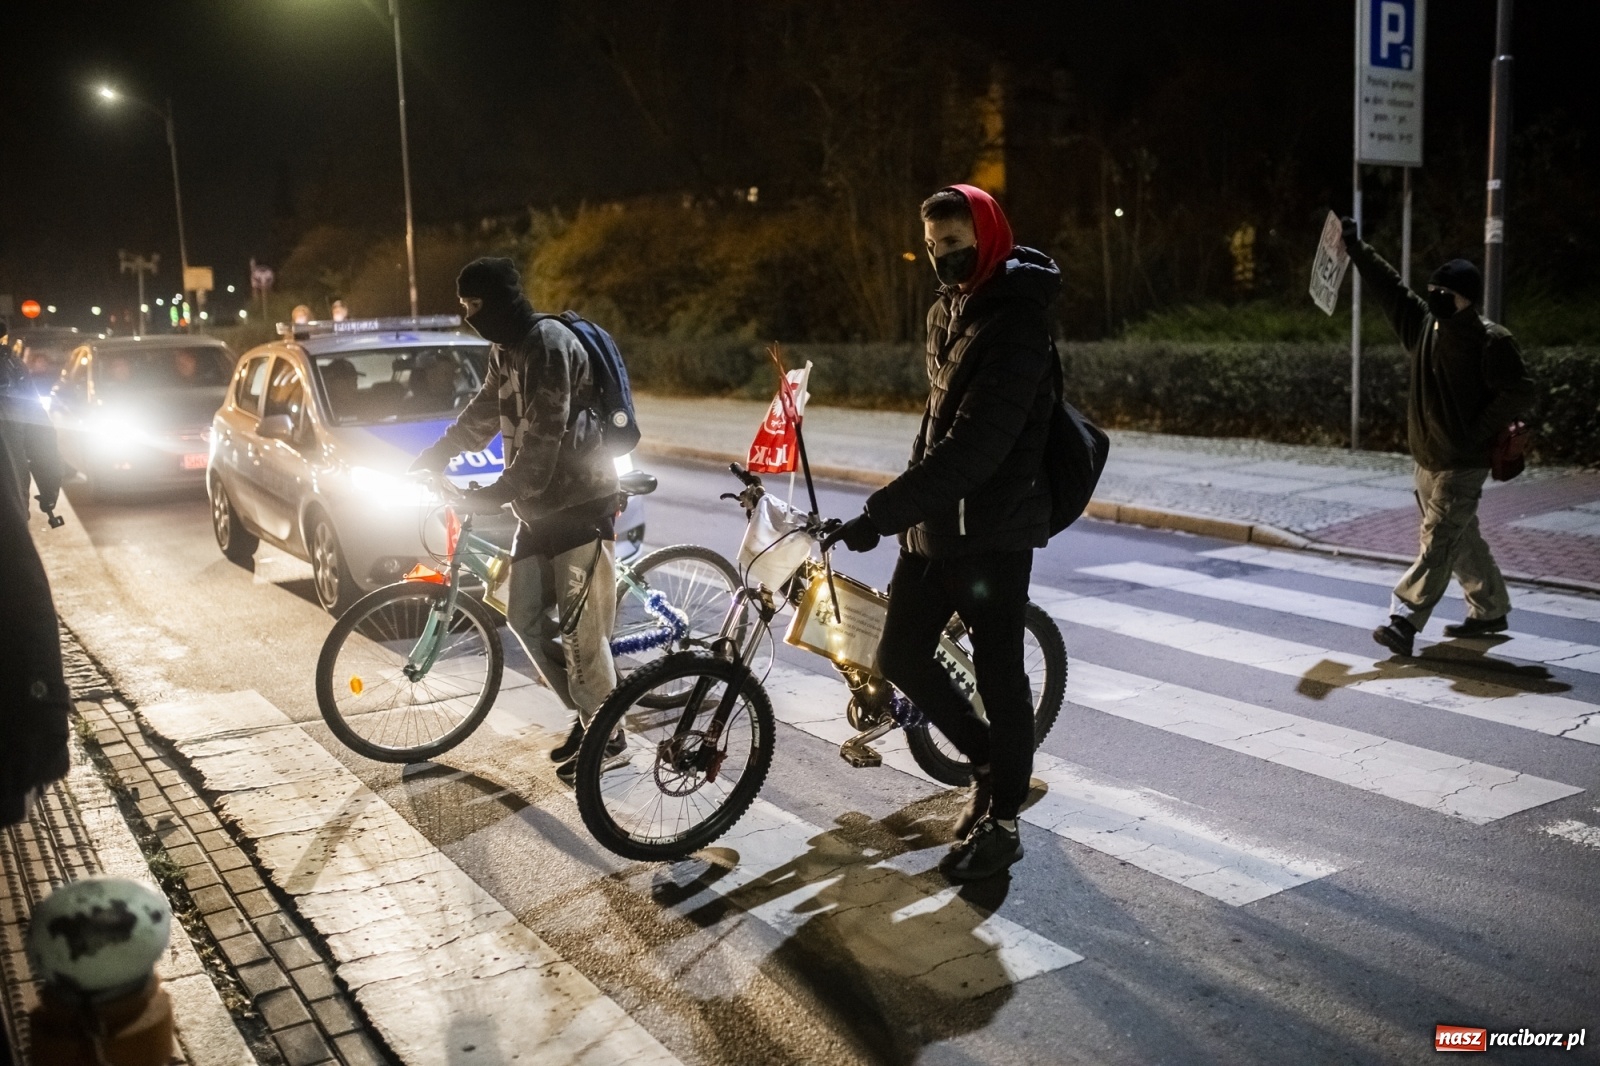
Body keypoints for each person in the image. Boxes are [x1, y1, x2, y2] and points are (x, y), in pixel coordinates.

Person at [825, 185, 1059, 882]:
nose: (943, 261)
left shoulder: (1019, 323)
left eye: (955, 247)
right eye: (932, 249)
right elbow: (934, 431)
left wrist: (880, 513)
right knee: (899, 653)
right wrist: (902, 512)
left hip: (993, 531)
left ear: (985, 239)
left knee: (1000, 677)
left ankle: (1004, 820)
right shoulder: (947, 311)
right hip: (933, 527)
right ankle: (986, 762)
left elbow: (975, 448)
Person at [410, 258, 622, 782]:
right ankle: (589, 711)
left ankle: (607, 732)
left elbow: (542, 445)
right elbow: (483, 413)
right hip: (539, 509)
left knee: (580, 634)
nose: (467, 315)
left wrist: (492, 495)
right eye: (462, 306)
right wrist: (435, 456)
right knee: (524, 617)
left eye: (473, 304)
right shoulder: (503, 350)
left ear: (500, 299)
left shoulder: (548, 344)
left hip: (579, 505)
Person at [1340, 217, 1536, 657]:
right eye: (1433, 292)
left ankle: (1403, 621)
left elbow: (1522, 389)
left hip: (1462, 463)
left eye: (1445, 295)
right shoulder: (1424, 327)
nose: (1435, 299)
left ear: (1467, 300)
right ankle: (1490, 608)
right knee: (1458, 536)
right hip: (1427, 458)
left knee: (1438, 541)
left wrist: (1479, 429)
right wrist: (1356, 249)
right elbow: (1390, 288)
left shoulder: (1491, 342)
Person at [0, 341, 64, 522]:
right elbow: (41, 437)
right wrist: (48, 490)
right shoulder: (13, 368)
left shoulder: (13, 368)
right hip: (10, 497)